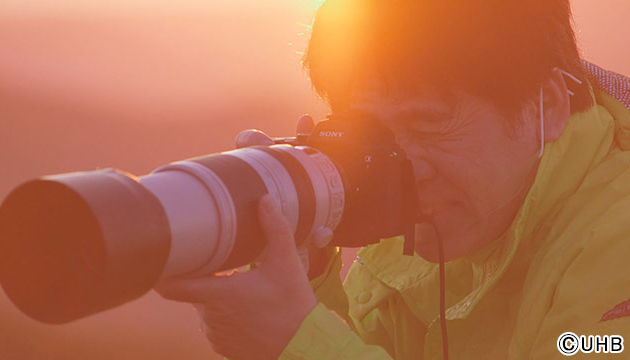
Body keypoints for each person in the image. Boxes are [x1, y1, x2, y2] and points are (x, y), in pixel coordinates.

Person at [155, 0, 630, 358]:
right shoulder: (426, 227)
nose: (405, 167)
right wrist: (311, 279)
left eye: (428, 125)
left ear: (546, 107)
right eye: (372, 132)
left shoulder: (617, 245)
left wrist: (297, 343)